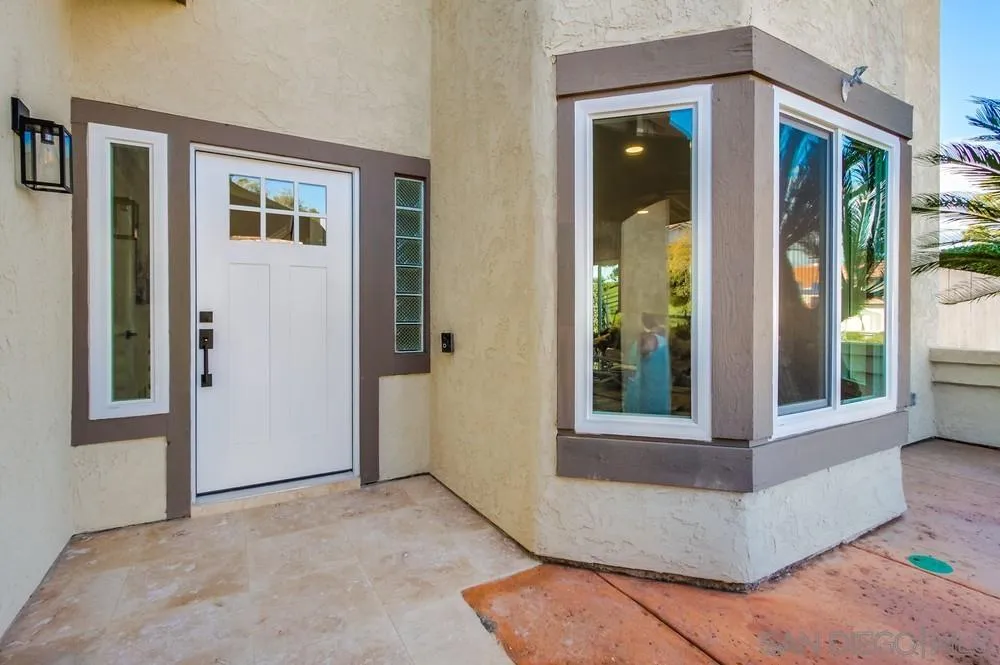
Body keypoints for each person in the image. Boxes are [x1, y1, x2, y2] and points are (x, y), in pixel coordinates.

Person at [623, 313, 671, 415]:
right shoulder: (663, 340)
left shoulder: (650, 339)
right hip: (659, 383)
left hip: (647, 384)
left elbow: (635, 358)